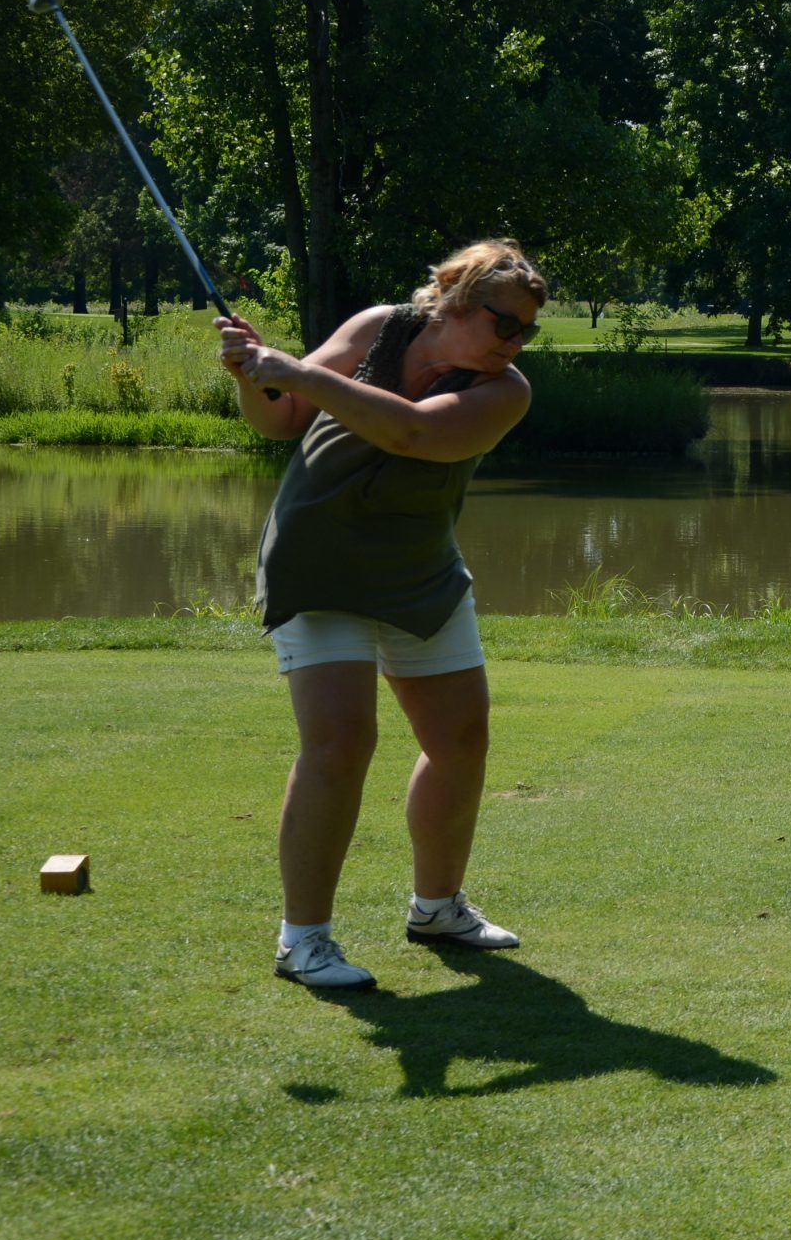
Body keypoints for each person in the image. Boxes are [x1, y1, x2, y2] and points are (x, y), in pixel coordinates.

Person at [217, 238, 546, 991]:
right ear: (457, 301)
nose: (515, 342)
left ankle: (438, 909)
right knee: (340, 741)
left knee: (460, 741)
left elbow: (415, 432)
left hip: (418, 571)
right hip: (318, 560)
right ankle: (303, 941)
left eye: (527, 331)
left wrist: (295, 370)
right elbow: (280, 419)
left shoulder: (505, 392)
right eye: (504, 323)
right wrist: (253, 376)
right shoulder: (378, 328)